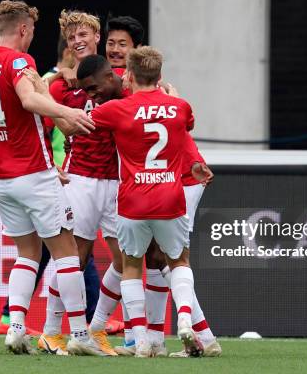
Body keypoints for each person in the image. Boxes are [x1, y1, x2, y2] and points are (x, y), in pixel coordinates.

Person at [0, 0, 101, 356]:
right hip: (34, 173)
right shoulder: (19, 61)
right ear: (24, 29)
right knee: (66, 252)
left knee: (26, 254)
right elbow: (29, 100)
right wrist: (64, 112)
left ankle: (16, 326)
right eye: (32, 30)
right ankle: (80, 333)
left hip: (0, 179)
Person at [76, 54, 222, 357]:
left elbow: (79, 124)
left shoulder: (115, 109)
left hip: (133, 200)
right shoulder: (179, 106)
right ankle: (184, 319)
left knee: (131, 266)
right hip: (170, 196)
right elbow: (186, 125)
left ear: (128, 74)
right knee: (179, 261)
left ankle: (141, 339)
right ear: (160, 75)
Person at [0, 34, 101, 336]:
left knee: (35, 251)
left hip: (20, 173)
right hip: (52, 172)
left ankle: (11, 321)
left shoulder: (43, 79)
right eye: (75, 40)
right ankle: (82, 328)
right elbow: (60, 124)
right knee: (71, 249)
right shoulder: (41, 80)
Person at [36, 9, 121, 356]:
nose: (78, 40)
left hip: (116, 180)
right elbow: (32, 123)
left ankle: (98, 328)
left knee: (127, 257)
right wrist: (48, 164)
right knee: (75, 257)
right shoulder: (57, 83)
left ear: (96, 36)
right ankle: (53, 332)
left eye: (83, 34)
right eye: (72, 37)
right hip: (80, 177)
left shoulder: (116, 79)